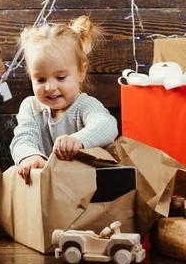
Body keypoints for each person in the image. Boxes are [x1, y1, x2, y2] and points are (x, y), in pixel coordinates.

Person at [10, 15, 118, 184]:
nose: (50, 87)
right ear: (30, 76)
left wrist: (78, 140)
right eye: (40, 79)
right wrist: (30, 156)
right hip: (46, 189)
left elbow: (107, 125)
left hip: (84, 189)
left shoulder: (85, 106)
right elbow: (23, 138)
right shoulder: (31, 107)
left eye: (60, 77)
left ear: (81, 72)